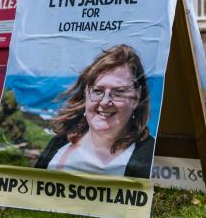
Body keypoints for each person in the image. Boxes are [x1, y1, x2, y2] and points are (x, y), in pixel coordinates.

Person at [35, 44, 154, 178]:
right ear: (86, 93)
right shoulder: (58, 144)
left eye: (119, 92)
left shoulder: (150, 158)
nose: (104, 102)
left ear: (136, 98)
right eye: (98, 91)